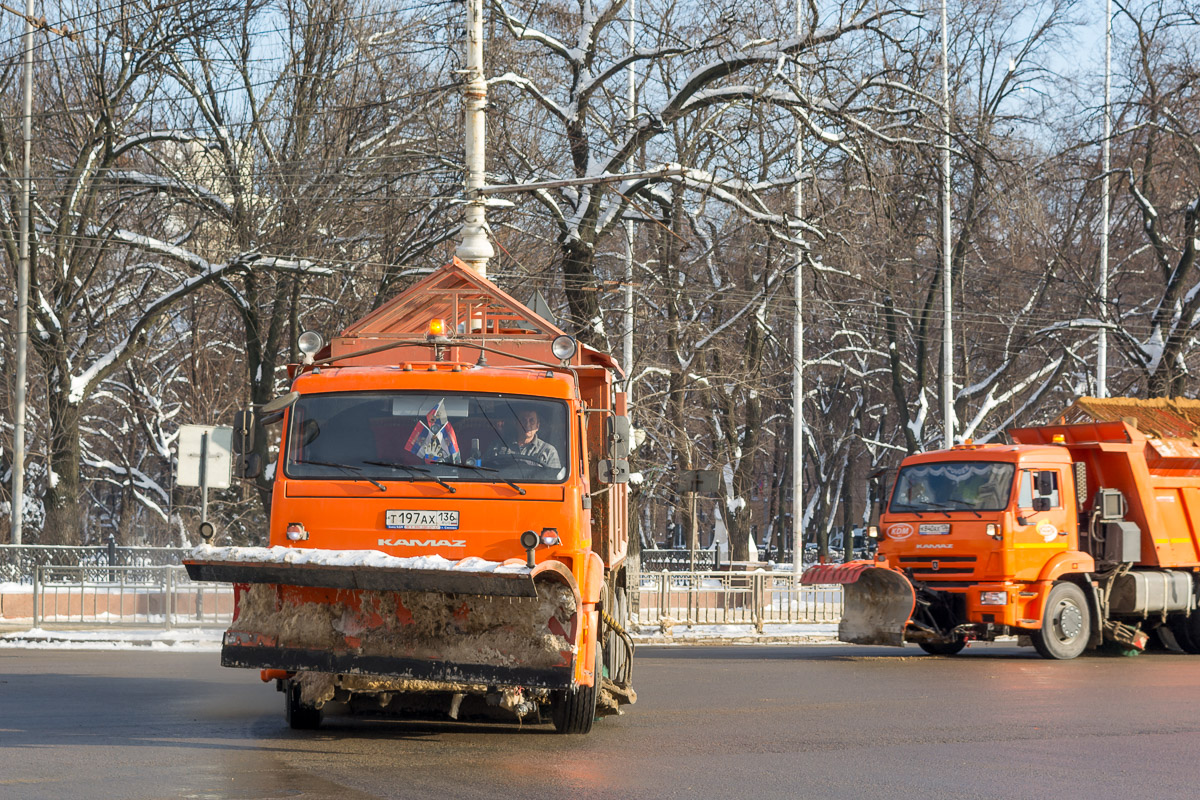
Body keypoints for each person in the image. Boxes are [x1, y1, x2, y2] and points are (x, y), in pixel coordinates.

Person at [486, 407, 561, 469]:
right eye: (523, 420)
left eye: (531, 421)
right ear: (516, 423)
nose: (527, 425)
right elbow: (482, 468)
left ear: (537, 426)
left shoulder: (548, 451)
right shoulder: (497, 447)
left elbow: (555, 479)